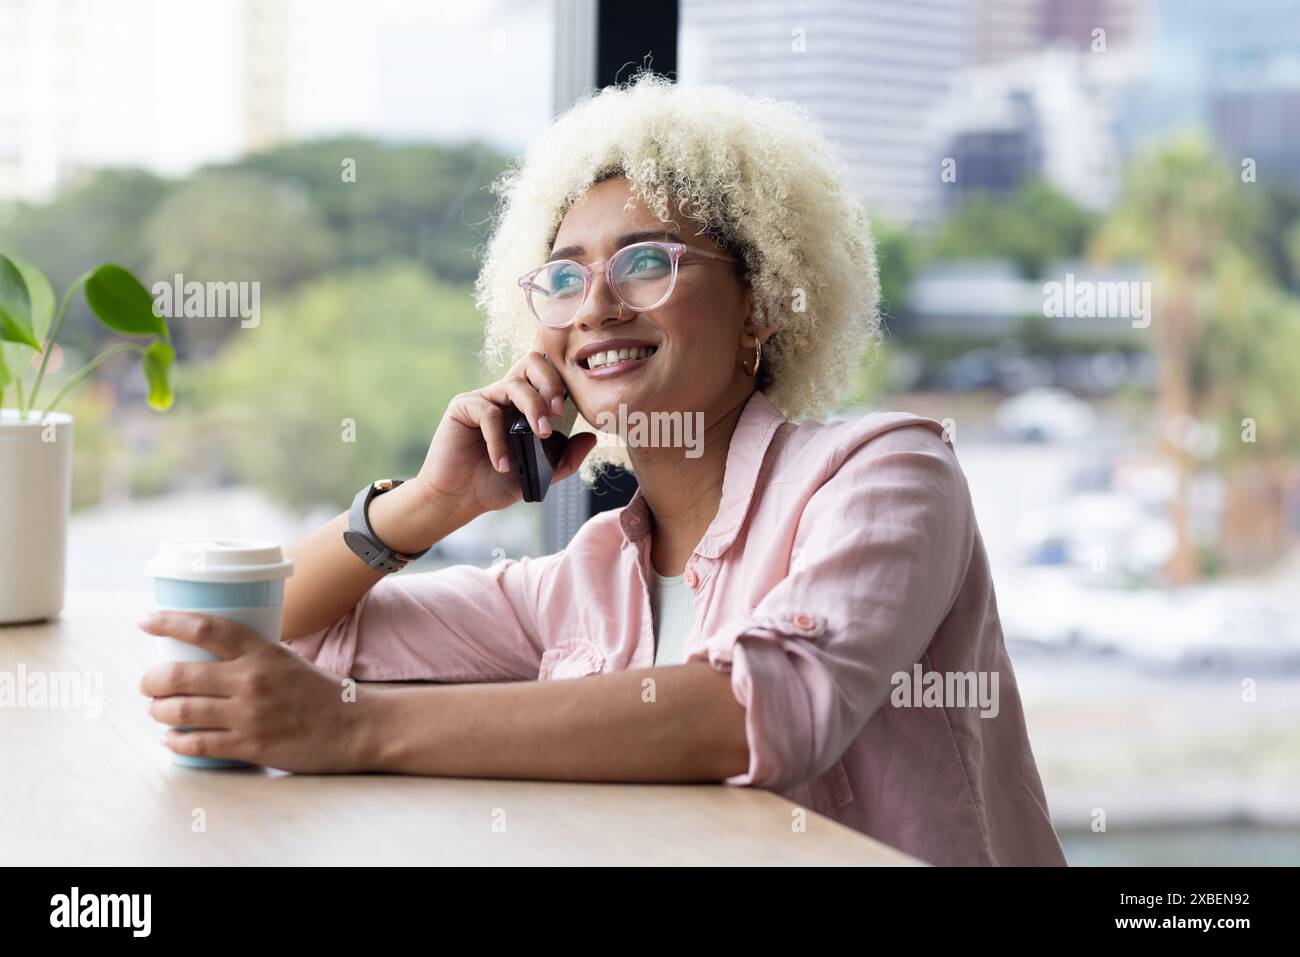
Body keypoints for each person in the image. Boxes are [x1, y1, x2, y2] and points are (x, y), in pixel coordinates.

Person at [140, 72, 1067, 866]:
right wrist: (427, 505)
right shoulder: (585, 577)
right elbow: (279, 637)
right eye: (564, 275)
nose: (596, 306)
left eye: (646, 262)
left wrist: (349, 728)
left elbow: (758, 712)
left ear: (762, 305)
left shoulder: (885, 474)